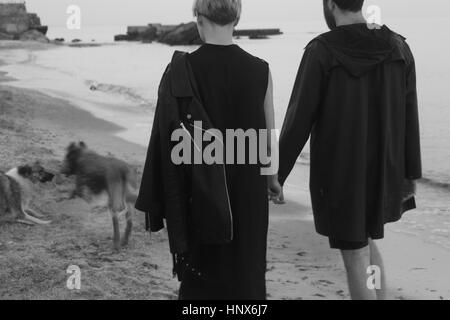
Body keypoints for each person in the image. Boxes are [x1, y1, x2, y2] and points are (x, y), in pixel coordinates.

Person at [275, 0, 422, 300]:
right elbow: (410, 113)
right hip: (385, 170)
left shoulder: (321, 50)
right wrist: (410, 174)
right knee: (364, 242)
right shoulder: (399, 46)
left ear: (330, 4)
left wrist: (276, 175)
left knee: (355, 253)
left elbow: (298, 119)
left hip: (342, 171)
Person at [136, 0, 280, 300]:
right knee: (247, 274)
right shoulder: (260, 70)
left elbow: (165, 139)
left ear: (198, 20)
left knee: (200, 278)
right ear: (237, 18)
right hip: (248, 192)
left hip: (197, 192)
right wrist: (272, 181)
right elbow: (268, 139)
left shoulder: (180, 70)